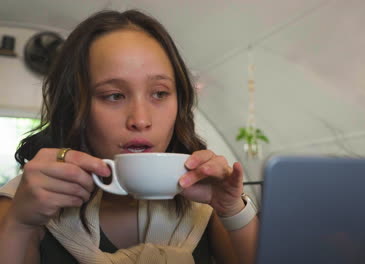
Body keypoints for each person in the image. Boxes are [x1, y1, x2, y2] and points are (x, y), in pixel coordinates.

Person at [0, 9, 258, 264]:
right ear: (74, 105)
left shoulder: (204, 200)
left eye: (159, 93)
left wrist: (233, 209)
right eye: (114, 95)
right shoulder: (29, 200)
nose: (141, 120)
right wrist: (20, 224)